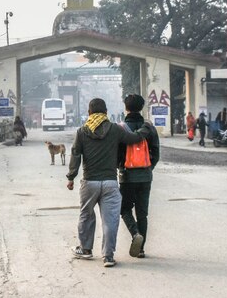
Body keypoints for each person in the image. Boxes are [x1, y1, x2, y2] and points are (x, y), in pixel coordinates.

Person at [67, 98, 146, 268]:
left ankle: (86, 249)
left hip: (89, 182)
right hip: (110, 182)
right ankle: (108, 257)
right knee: (110, 220)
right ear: (105, 112)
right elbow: (133, 139)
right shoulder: (114, 129)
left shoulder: (82, 131)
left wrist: (71, 177)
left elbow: (75, 155)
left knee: (86, 215)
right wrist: (145, 129)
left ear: (89, 113)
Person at [118, 94, 160, 259]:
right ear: (141, 107)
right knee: (142, 213)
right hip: (145, 175)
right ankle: (141, 249)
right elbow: (156, 153)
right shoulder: (149, 127)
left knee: (125, 208)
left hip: (127, 176)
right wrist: (148, 168)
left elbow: (117, 153)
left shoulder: (121, 128)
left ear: (126, 108)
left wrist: (121, 166)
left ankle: (135, 234)